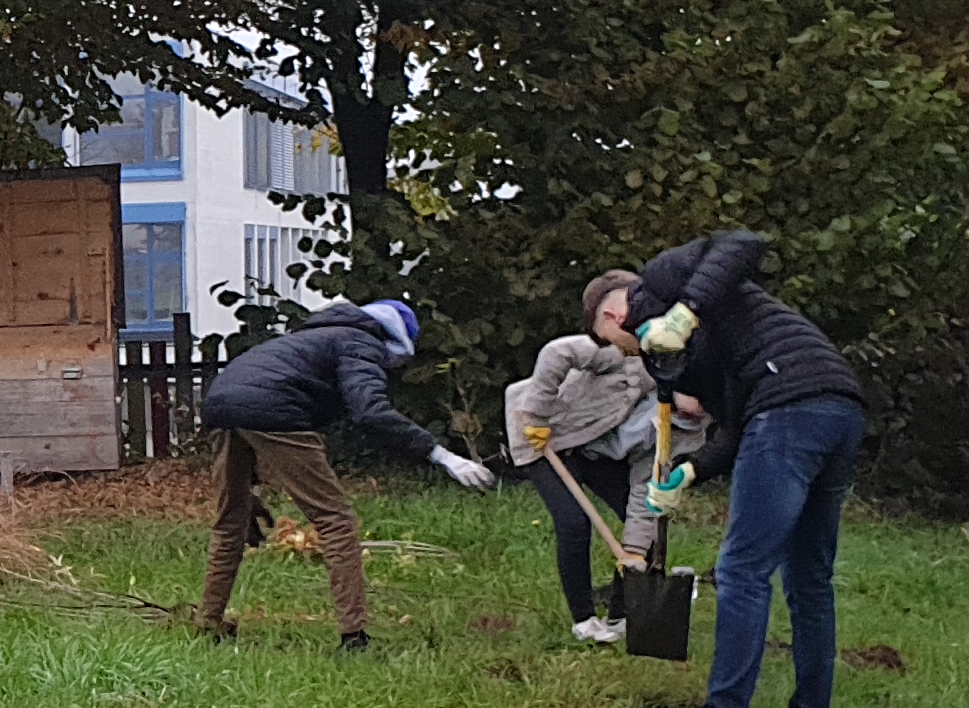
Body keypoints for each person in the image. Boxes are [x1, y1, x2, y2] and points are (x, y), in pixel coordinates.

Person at [621, 230, 869, 708]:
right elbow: (736, 425)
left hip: (792, 407)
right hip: (839, 412)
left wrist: (682, 312)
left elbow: (743, 241)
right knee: (808, 578)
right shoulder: (713, 354)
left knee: (742, 570)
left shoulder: (663, 276)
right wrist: (690, 471)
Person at [192, 298, 495, 651]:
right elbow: (370, 410)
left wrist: (249, 484)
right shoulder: (360, 342)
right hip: (276, 412)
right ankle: (355, 636)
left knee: (231, 520)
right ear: (396, 341)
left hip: (219, 403)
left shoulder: (309, 338)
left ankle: (208, 623)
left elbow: (251, 396)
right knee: (336, 521)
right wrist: (442, 456)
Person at [506, 270, 658, 645]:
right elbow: (557, 352)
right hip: (537, 437)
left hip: (589, 443)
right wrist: (537, 416)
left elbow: (644, 480)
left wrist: (635, 550)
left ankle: (622, 616)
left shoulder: (660, 388)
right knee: (574, 523)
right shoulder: (612, 353)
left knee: (643, 523)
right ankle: (584, 620)